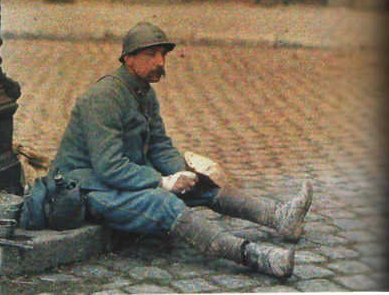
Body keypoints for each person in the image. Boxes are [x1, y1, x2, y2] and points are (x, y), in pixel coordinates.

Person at [49, 21, 313, 278]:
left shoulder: (143, 92)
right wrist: (164, 182)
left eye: (163, 55)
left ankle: (280, 218)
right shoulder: (104, 97)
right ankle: (254, 256)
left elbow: (160, 144)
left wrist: (185, 176)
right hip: (85, 189)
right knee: (164, 202)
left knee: (200, 187)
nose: (160, 62)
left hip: (118, 181)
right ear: (128, 59)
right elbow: (108, 167)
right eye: (151, 55)